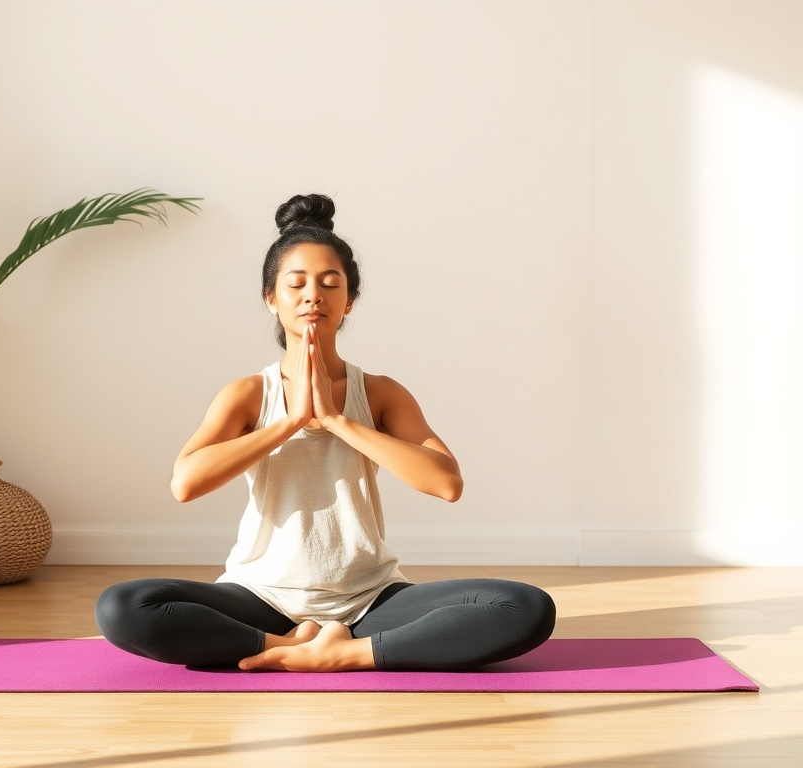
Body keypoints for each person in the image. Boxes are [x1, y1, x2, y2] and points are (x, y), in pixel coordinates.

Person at [95, 193, 555, 672]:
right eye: (296, 284)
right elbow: (185, 483)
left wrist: (337, 420)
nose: (313, 295)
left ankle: (345, 652)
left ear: (348, 301)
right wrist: (290, 422)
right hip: (260, 595)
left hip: (369, 599)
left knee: (525, 607)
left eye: (330, 283)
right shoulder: (248, 394)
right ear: (271, 299)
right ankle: (286, 643)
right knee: (122, 607)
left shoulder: (380, 393)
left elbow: (446, 483)